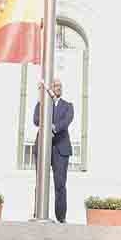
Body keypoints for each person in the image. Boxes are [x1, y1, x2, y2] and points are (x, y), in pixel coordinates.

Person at [32, 79, 74, 223]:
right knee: (40, 182)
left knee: (60, 184)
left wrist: (52, 128)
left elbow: (66, 121)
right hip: (43, 147)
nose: (58, 88)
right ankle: (37, 213)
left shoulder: (68, 106)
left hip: (60, 148)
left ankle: (61, 217)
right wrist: (41, 97)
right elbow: (36, 120)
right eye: (55, 85)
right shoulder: (42, 104)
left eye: (60, 86)